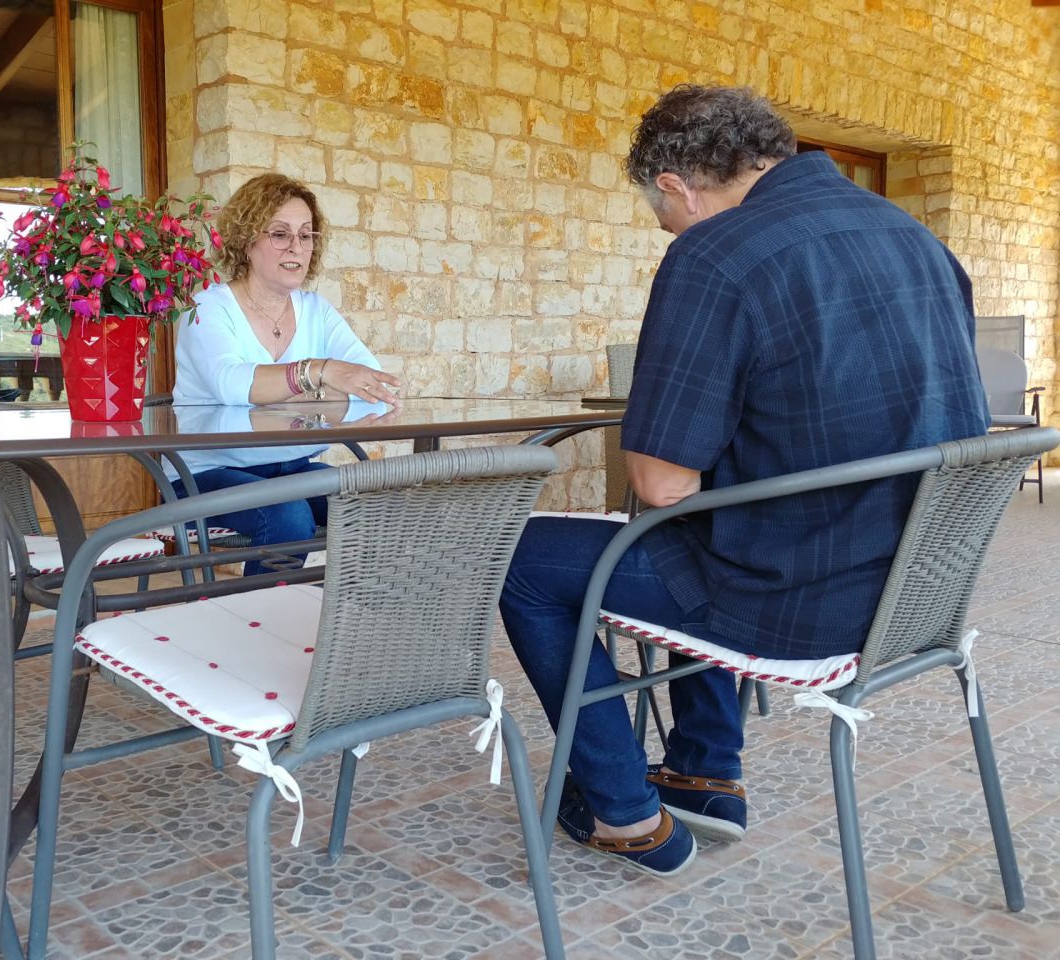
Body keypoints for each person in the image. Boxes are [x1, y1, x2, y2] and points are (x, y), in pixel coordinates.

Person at [500, 85, 991, 876]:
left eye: (664, 216)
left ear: (677, 186)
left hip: (799, 605)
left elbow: (659, 481)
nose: (669, 231)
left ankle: (624, 813)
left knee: (522, 558)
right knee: (701, 529)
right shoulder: (917, 238)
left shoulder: (714, 254)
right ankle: (704, 770)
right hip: (919, 592)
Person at [172, 173, 401, 575]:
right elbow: (232, 383)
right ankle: (260, 614)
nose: (296, 247)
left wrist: (276, 388)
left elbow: (372, 385)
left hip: (293, 466)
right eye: (280, 234)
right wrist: (319, 373)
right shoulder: (208, 308)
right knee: (289, 516)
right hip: (207, 473)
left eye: (306, 235)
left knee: (374, 506)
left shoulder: (316, 310)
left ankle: (345, 612)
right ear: (247, 240)